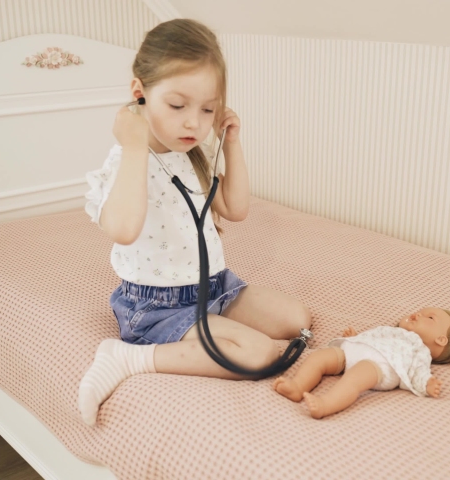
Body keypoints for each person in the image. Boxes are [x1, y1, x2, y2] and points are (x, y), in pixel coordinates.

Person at [78, 19, 311, 426]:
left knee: (296, 319)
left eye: (207, 109)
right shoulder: (126, 162)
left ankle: (212, 323)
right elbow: (124, 229)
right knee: (259, 353)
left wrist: (232, 143)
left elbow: (236, 209)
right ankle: (130, 357)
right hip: (156, 304)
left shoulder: (190, 155)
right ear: (140, 94)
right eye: (177, 105)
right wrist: (133, 142)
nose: (193, 123)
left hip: (213, 287)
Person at [274, 307, 450, 419]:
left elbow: (418, 370)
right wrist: (355, 336)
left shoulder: (420, 350)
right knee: (319, 357)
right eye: (422, 311)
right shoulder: (394, 331)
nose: (419, 313)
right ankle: (297, 387)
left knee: (355, 378)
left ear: (440, 340)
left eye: (429, 318)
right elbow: (374, 338)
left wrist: (427, 383)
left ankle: (325, 405)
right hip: (354, 351)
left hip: (379, 367)